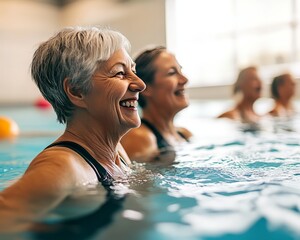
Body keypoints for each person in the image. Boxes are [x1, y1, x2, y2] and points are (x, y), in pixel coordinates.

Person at [0, 26, 146, 232]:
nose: (140, 84)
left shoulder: (117, 152)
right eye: (120, 73)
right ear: (77, 91)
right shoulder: (62, 167)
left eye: (134, 71)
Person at [120, 46, 192, 163]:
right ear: (146, 87)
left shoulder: (184, 134)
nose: (184, 79)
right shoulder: (140, 139)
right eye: (172, 73)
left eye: (181, 70)